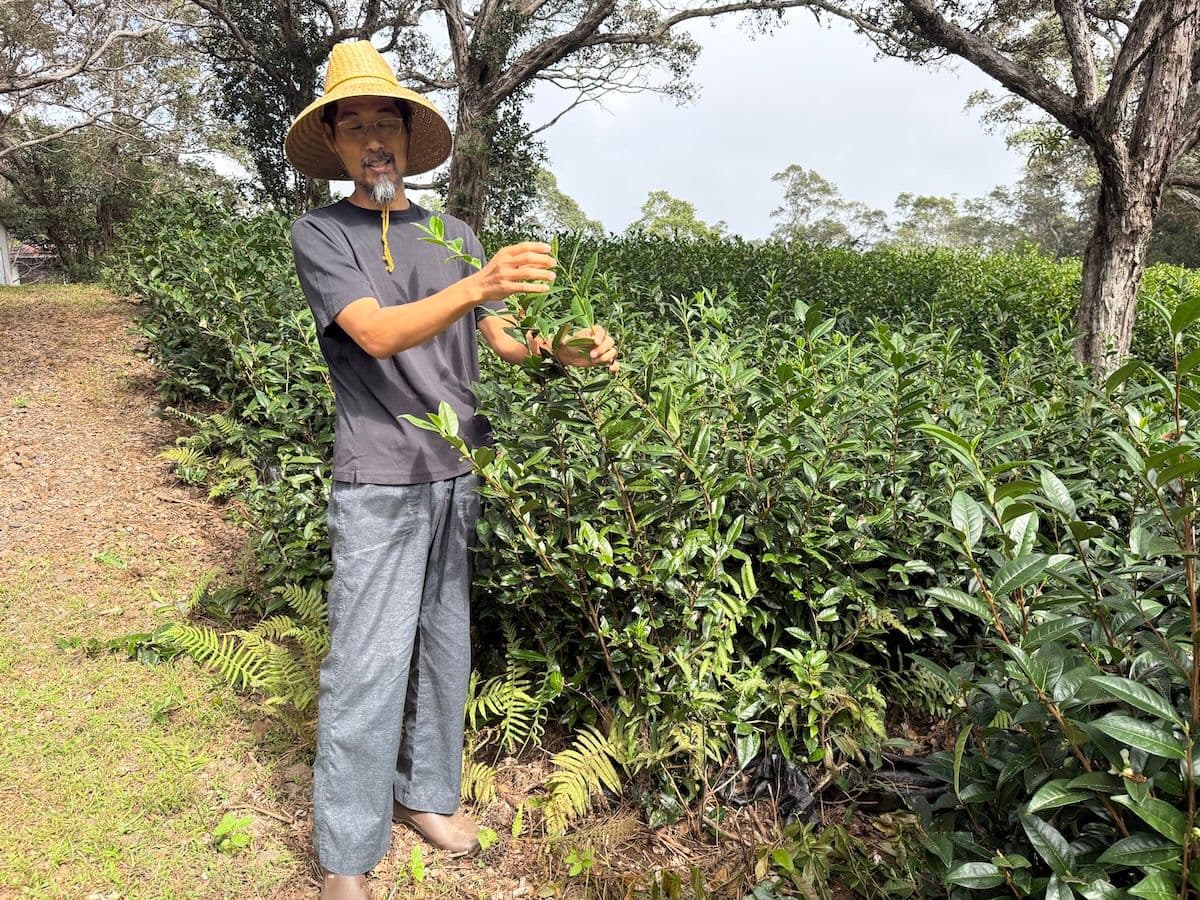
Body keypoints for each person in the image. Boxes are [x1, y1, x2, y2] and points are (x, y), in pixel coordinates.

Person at [284, 40, 619, 900]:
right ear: (336, 144)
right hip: (379, 479)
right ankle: (346, 856)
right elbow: (376, 333)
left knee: (443, 647)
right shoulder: (321, 232)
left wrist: (564, 354)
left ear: (405, 132)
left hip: (456, 473)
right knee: (364, 666)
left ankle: (424, 797)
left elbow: (504, 343)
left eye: (383, 121)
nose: (372, 138)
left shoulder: (453, 233)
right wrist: (481, 286)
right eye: (353, 125)